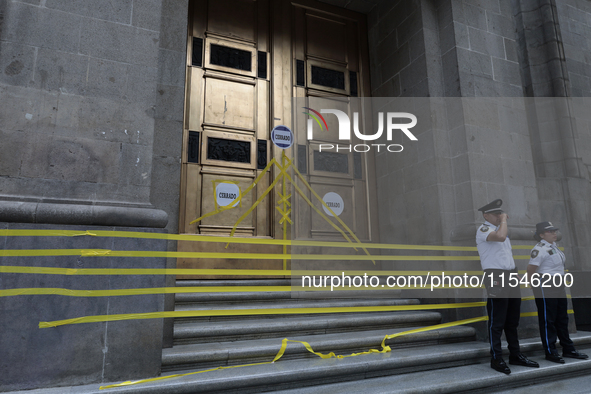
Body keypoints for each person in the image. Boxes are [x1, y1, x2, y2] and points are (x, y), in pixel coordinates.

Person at [476, 199, 539, 374]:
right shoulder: (484, 230)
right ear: (485, 215)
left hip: (510, 275)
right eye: (496, 214)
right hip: (496, 277)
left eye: (500, 214)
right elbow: (501, 237)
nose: (499, 217)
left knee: (512, 319)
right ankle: (496, 358)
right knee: (497, 320)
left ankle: (515, 355)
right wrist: (504, 220)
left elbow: (503, 253)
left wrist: (513, 273)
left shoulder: (499, 229)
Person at [527, 221, 589, 363]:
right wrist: (532, 283)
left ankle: (568, 349)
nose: (554, 233)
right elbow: (531, 269)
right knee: (548, 319)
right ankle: (550, 351)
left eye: (554, 230)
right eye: (550, 231)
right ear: (541, 235)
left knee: (562, 318)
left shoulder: (554, 247)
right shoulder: (540, 249)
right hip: (545, 284)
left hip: (558, 283)